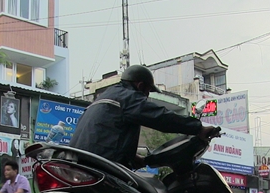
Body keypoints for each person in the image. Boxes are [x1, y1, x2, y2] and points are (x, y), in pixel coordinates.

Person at [69, 65, 217, 169]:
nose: (146, 97)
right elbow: (161, 117)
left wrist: (131, 157)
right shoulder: (128, 97)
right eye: (148, 92)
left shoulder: (104, 98)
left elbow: (106, 134)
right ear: (140, 86)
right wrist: (198, 128)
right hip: (103, 167)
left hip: (81, 164)